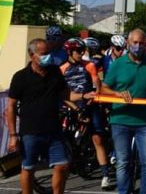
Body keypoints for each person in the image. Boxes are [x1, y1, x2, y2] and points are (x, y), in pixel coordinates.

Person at [7, 38, 92, 194]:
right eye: (43, 54)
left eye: (49, 53)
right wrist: (13, 135)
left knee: (62, 165)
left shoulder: (55, 72)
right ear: (32, 55)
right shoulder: (20, 77)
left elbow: (65, 95)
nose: (48, 57)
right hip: (30, 131)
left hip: (54, 130)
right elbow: (11, 106)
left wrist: (83, 97)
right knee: (28, 167)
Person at [101, 29, 146, 194]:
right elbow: (104, 87)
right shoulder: (118, 64)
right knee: (123, 161)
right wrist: (117, 94)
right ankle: (124, 191)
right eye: (135, 43)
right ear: (128, 43)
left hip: (144, 121)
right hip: (121, 119)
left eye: (141, 43)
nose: (138, 46)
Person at [60, 38, 113, 189]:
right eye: (78, 51)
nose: (81, 54)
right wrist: (75, 108)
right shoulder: (62, 69)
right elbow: (61, 94)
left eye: (83, 51)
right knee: (64, 136)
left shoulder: (89, 65)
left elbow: (97, 87)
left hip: (90, 104)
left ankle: (105, 175)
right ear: (69, 52)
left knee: (97, 139)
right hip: (71, 105)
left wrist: (90, 102)